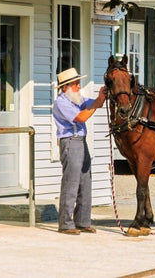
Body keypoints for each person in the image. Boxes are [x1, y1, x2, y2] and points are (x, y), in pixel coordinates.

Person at [52, 68, 106, 235]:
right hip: (70, 142)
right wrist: (97, 102)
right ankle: (66, 223)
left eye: (78, 83)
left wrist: (102, 95)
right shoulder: (61, 103)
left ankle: (82, 221)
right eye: (75, 84)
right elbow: (81, 117)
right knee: (71, 182)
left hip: (81, 141)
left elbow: (96, 103)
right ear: (65, 87)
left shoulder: (77, 99)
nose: (78, 87)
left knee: (85, 181)